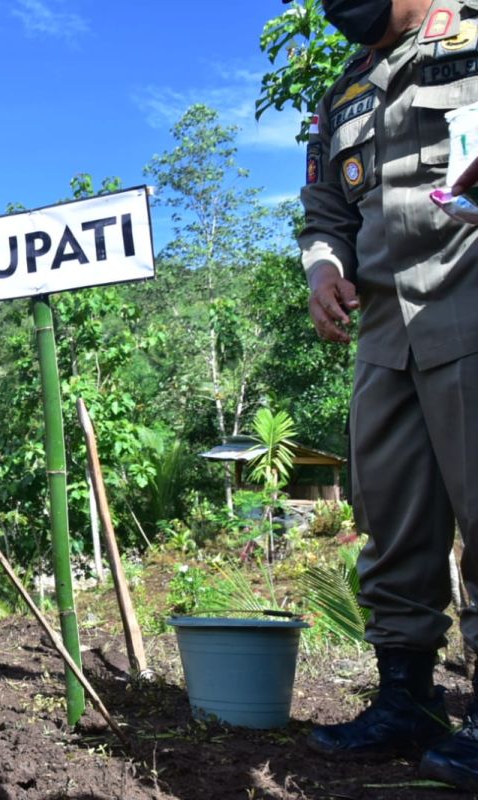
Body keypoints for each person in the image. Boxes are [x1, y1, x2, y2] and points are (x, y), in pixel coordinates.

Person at [296, 0, 478, 789]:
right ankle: (407, 699)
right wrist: (322, 271)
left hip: (469, 306)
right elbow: (324, 211)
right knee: (391, 521)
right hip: (385, 338)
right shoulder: (343, 93)